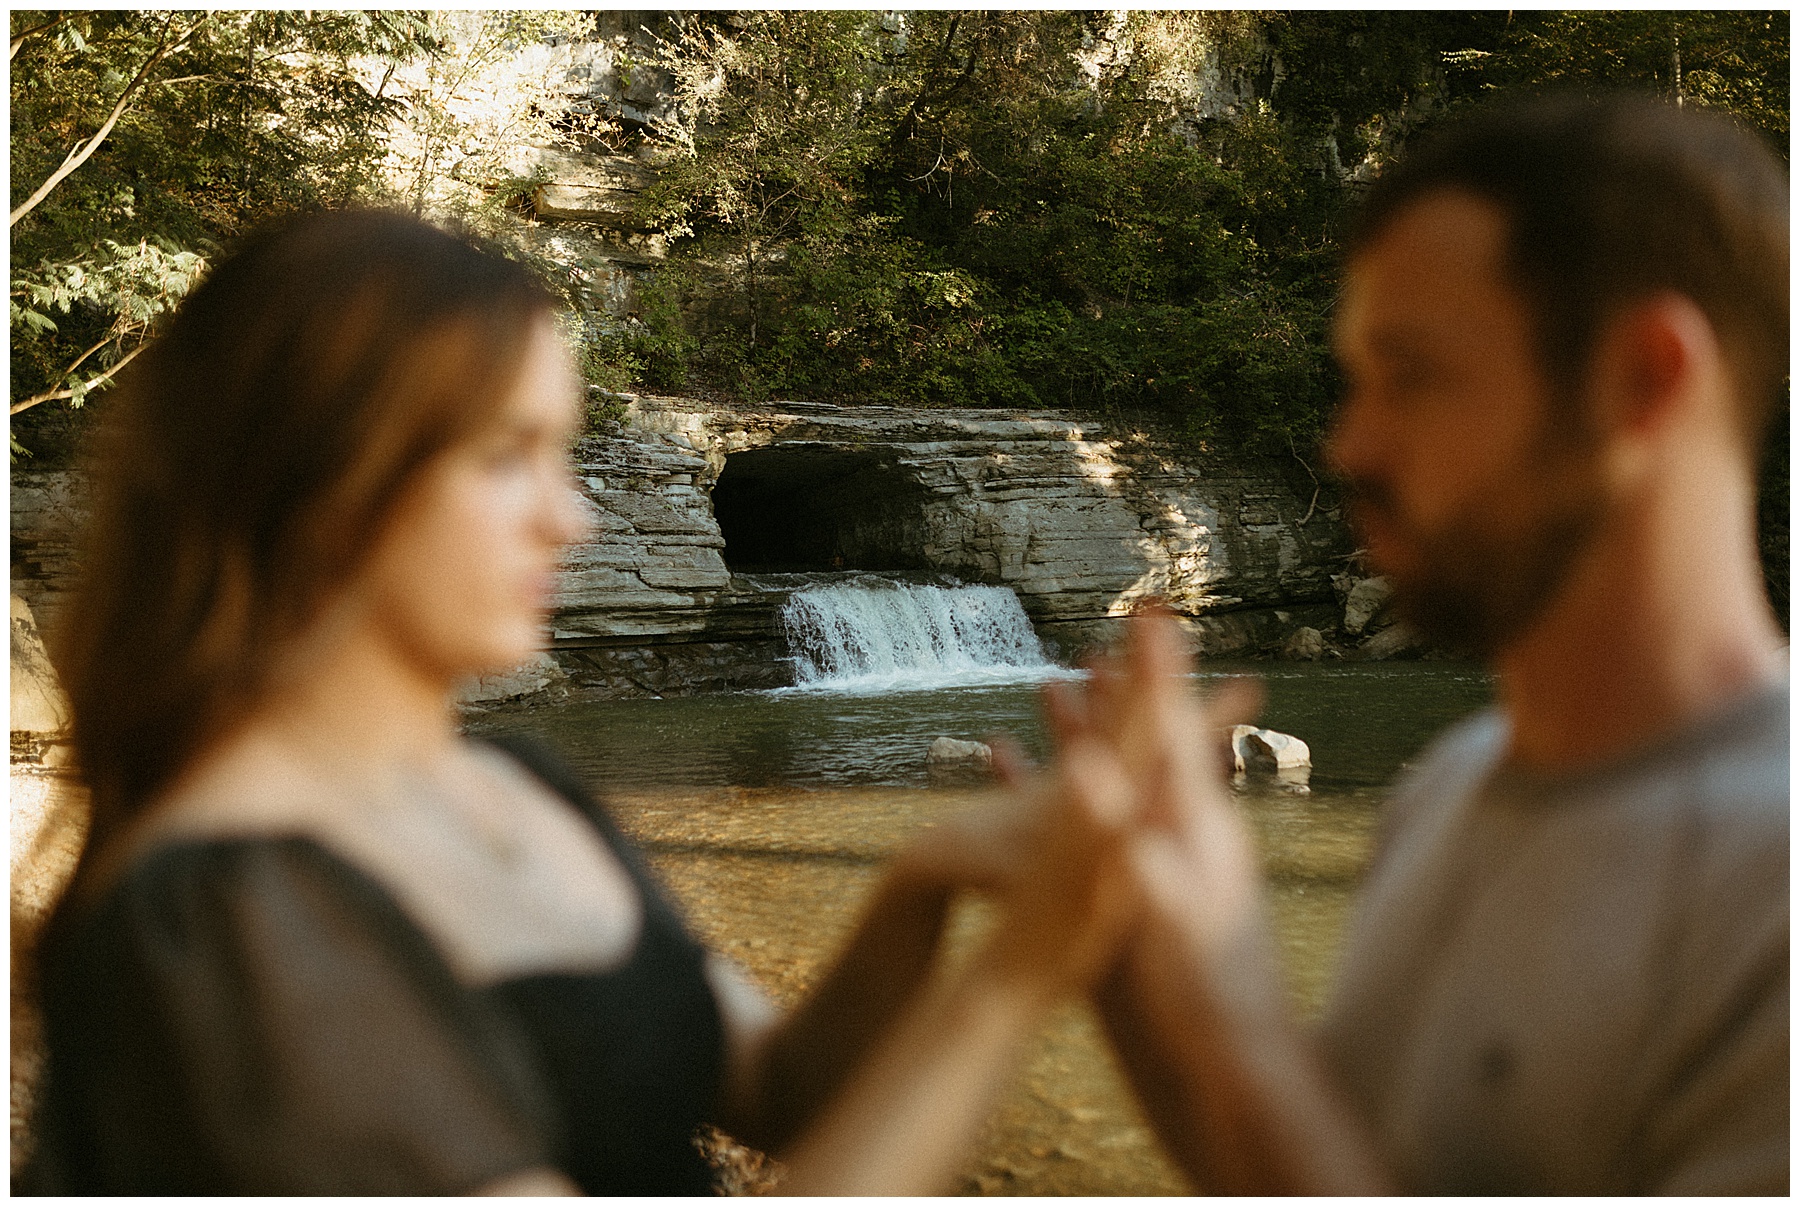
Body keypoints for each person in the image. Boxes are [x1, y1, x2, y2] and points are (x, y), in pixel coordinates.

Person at [27, 209, 1138, 1196]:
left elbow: (793, 1092)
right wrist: (1016, 977)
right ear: (323, 483)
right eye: (510, 458)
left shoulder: (520, 784)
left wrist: (926, 878)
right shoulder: (223, 912)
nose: (573, 522)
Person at [1022, 93, 1788, 1194]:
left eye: (1412, 373)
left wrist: (1227, 991)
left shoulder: (1777, 892)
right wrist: (1138, 958)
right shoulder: (1455, 784)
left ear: (1646, 377)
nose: (1349, 442)